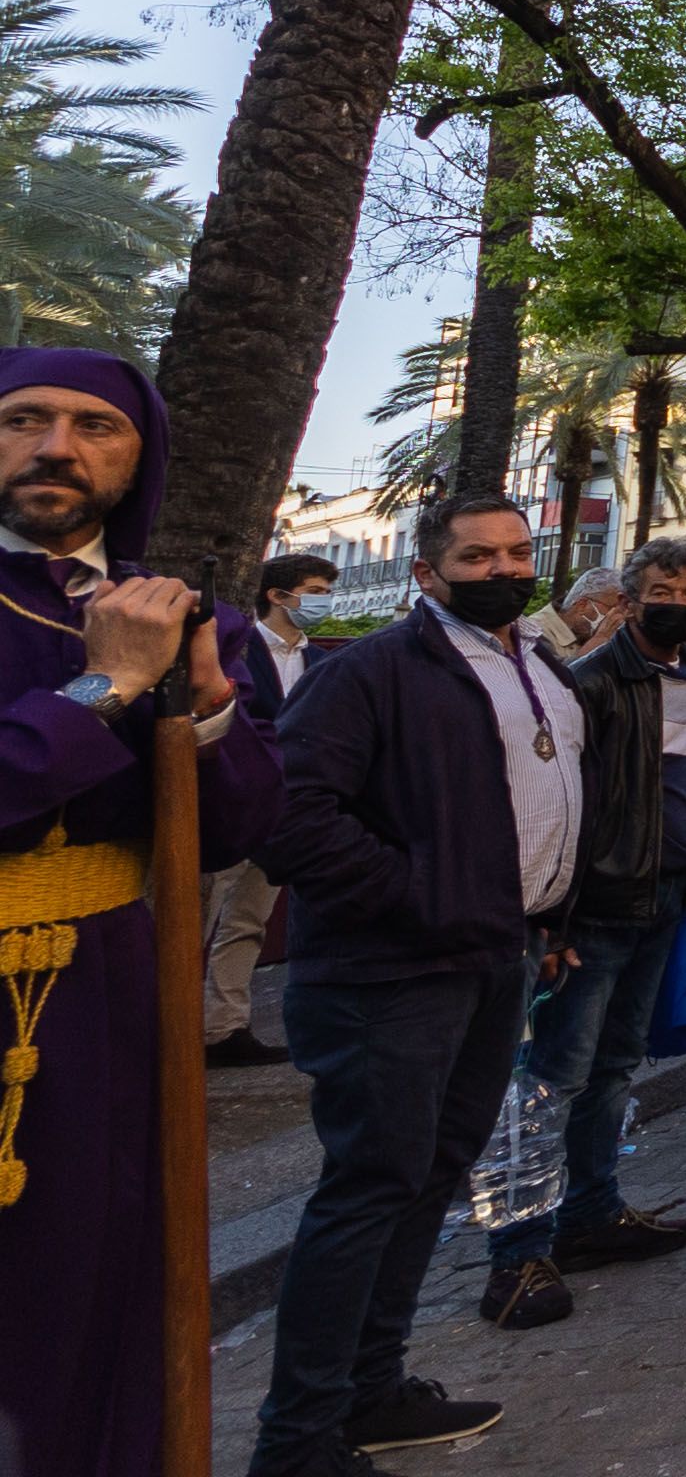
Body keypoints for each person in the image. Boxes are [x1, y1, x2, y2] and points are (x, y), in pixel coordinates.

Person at [250, 491, 581, 1475]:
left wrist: (549, 911)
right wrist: (421, 895)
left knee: (430, 1178)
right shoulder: (369, 673)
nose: (505, 569)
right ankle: (298, 1438)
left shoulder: (540, 663)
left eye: (518, 552)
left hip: (493, 959)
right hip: (388, 974)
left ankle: (374, 1389)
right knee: (367, 1189)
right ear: (426, 573)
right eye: (477, 557)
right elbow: (290, 814)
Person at [0, 349, 281, 1477]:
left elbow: (239, 824)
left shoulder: (181, 614)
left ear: (139, 455)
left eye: (94, 426)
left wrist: (204, 701)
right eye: (24, 418)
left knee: (99, 1281)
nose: (57, 445)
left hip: (107, 995)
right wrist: (104, 685)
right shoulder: (122, 640)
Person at [478, 536, 686, 1330]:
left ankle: (593, 1213)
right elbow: (556, 803)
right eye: (664, 588)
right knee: (551, 1077)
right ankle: (520, 1248)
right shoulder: (589, 683)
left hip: (666, 901)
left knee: (616, 1068)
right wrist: (554, 918)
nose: (679, 602)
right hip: (596, 912)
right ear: (627, 596)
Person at [208, 549, 334, 1067]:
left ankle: (223, 1027)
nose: (324, 602)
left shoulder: (321, 661)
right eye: (316, 592)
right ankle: (157, 1028)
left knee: (249, 921)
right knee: (195, 918)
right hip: (230, 806)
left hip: (285, 812)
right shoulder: (232, 650)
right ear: (277, 595)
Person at [524, 564, 627, 668]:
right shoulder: (534, 631)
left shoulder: (586, 633)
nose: (619, 618)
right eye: (613, 609)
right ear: (582, 605)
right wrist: (600, 639)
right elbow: (556, 678)